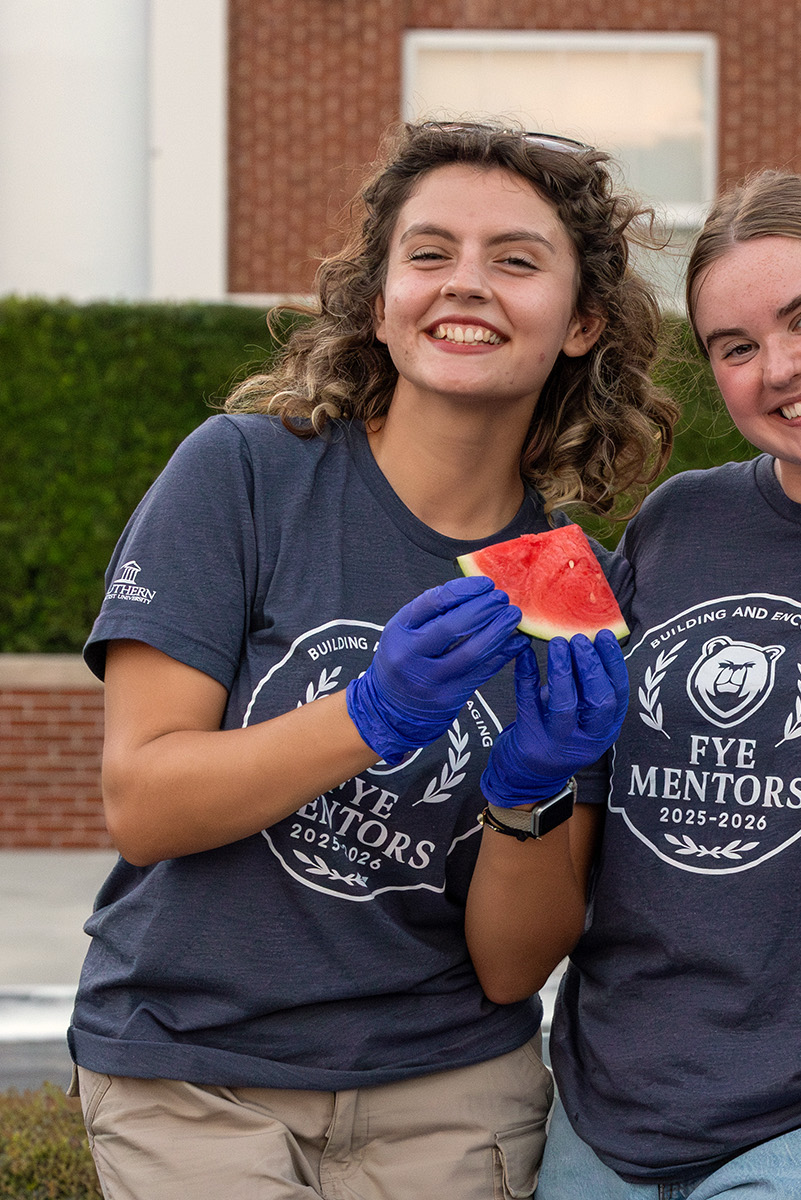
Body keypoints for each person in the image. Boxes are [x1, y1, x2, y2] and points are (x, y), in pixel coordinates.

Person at [70, 120, 673, 1200]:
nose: (467, 285)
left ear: (582, 323)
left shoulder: (587, 591)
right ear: (382, 302)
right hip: (195, 1071)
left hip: (447, 1091)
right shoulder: (244, 476)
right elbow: (143, 803)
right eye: (430, 253)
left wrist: (530, 791)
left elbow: (510, 966)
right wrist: (376, 713)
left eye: (517, 260)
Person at [465, 170, 801, 1197]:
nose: (779, 367)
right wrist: (525, 785)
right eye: (735, 348)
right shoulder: (678, 523)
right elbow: (588, 824)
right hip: (605, 1114)